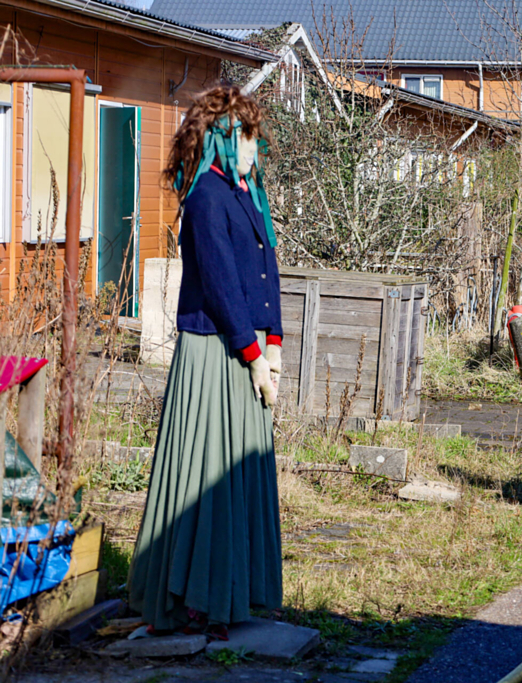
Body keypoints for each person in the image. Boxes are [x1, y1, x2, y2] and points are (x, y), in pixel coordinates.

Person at [128, 85, 284, 636]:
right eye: (245, 136)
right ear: (220, 138)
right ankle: (194, 599)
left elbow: (265, 273)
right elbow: (219, 286)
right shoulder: (206, 198)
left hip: (244, 351)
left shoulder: (246, 194)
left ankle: (234, 593)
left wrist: (274, 345)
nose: (253, 146)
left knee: (238, 477)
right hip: (213, 354)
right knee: (208, 477)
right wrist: (252, 353)